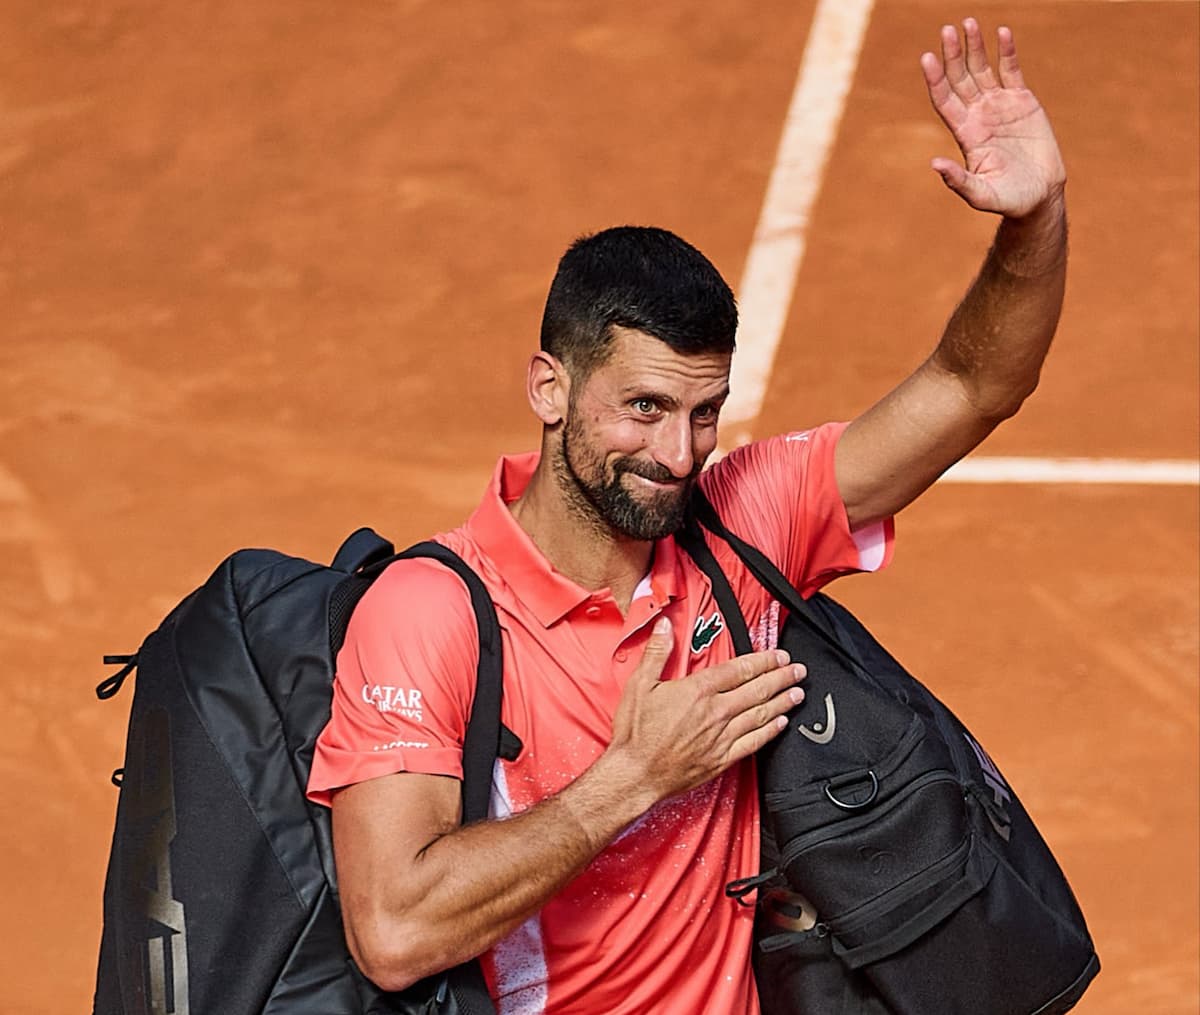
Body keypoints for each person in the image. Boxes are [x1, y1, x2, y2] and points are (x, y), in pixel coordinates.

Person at [307, 17, 1068, 1014]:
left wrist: (1034, 222)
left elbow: (973, 386)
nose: (676, 455)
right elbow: (395, 929)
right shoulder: (429, 614)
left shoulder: (741, 518)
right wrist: (638, 775)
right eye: (645, 409)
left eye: (704, 413)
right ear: (550, 387)